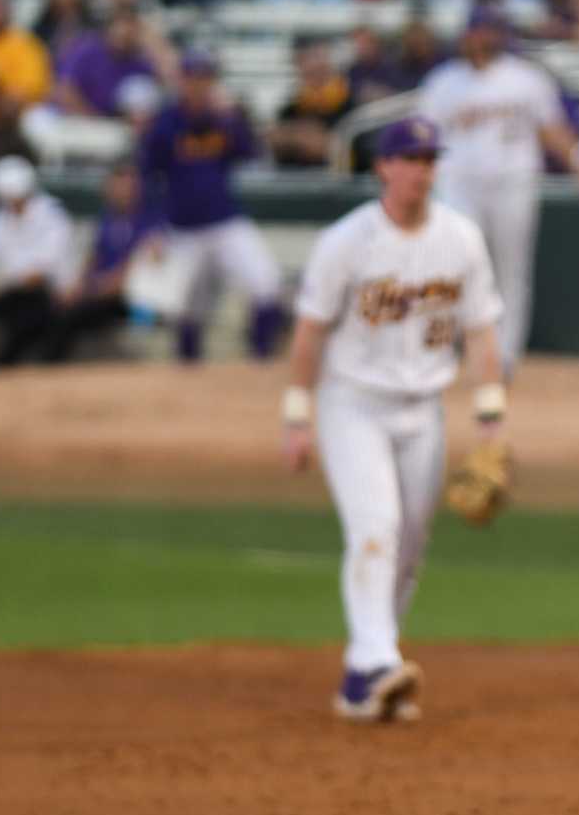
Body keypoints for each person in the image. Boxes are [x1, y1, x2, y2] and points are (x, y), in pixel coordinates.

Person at [279, 117, 507, 721]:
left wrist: (490, 414)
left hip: (423, 410)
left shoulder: (459, 237)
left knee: (409, 543)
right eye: (410, 157)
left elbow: (481, 327)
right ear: (383, 166)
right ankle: (377, 662)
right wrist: (297, 415)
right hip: (351, 404)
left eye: (430, 158)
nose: (421, 169)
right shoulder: (348, 241)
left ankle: (368, 673)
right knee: (375, 528)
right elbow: (309, 330)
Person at [415, 6, 579, 374]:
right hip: (459, 184)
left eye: (486, 32)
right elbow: (425, 138)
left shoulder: (525, 78)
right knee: (453, 260)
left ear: (499, 35)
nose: (479, 39)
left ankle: (504, 356)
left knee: (511, 269)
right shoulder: (444, 81)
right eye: (474, 32)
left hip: (513, 182)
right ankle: (443, 346)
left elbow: (554, 131)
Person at [137, 50, 288, 362]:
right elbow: (147, 178)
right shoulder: (166, 123)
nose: (199, 85)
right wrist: (153, 227)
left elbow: (251, 152)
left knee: (266, 284)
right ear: (181, 81)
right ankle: (188, 379)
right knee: (188, 310)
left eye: (205, 78)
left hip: (225, 222)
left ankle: (260, 360)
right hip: (183, 229)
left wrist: (232, 119)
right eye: (193, 78)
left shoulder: (223, 118)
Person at [0, 156, 76, 366]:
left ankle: (3, 367)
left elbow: (38, 276)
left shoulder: (52, 215)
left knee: (27, 308)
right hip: (3, 294)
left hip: (46, 298)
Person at [46, 159, 160, 362]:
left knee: (71, 316)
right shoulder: (108, 218)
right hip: (101, 292)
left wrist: (95, 290)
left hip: (131, 300)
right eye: (116, 186)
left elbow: (132, 269)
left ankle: (50, 367)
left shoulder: (149, 221)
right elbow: (95, 256)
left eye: (127, 186)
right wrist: (78, 285)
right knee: (53, 309)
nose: (121, 192)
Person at [269, 35, 351, 168]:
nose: (313, 65)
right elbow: (276, 141)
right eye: (305, 59)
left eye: (318, 57)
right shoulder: (292, 107)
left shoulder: (349, 101)